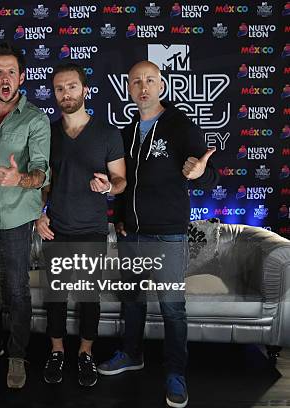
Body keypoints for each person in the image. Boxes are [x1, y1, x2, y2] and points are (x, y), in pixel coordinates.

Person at [97, 60, 217, 408]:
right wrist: (118, 217)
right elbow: (123, 183)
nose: (143, 86)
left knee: (172, 309)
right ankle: (131, 353)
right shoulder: (125, 130)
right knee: (131, 303)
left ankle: (176, 373)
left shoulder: (180, 126)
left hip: (168, 235)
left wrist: (199, 174)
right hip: (131, 233)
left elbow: (208, 173)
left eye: (150, 80)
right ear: (129, 89)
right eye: (136, 81)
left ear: (161, 86)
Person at [36, 63, 126, 387]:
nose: (66, 94)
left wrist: (108, 186)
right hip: (56, 228)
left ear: (84, 90)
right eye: (59, 88)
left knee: (89, 297)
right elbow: (42, 184)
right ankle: (57, 351)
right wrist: (38, 214)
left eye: (71, 87)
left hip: (91, 229)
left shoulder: (106, 132)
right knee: (56, 297)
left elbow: (120, 180)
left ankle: (85, 353)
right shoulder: (46, 133)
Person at [0, 42, 51, 389]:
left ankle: (17, 354)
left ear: (22, 77)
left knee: (16, 289)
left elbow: (42, 174)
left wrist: (21, 178)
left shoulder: (36, 119)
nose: (5, 78)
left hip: (16, 219)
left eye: (11, 72)